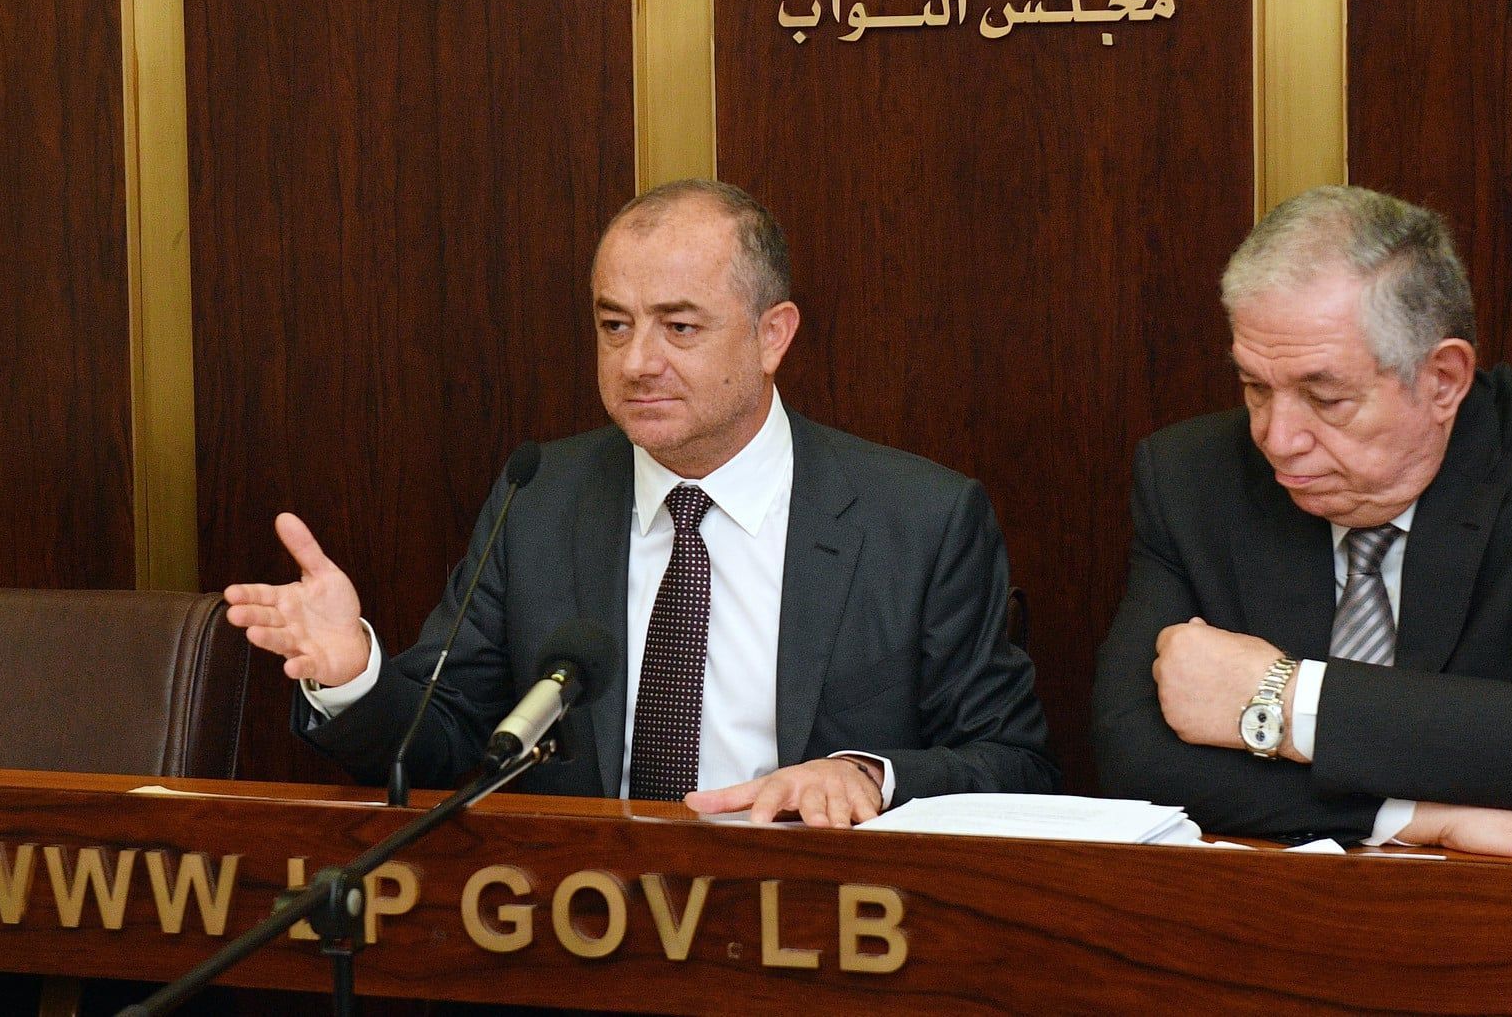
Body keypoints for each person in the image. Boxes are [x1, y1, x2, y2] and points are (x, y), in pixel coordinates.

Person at [227, 179, 1056, 826]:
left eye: (680, 328)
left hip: (821, 936)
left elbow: (1013, 761)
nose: (636, 362)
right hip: (583, 936)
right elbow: (446, 744)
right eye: (615, 325)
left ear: (774, 335)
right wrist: (355, 675)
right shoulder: (540, 497)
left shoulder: (918, 520)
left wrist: (868, 773)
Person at [1092, 185, 1512, 860]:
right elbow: (1132, 756)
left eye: (1324, 396)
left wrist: (1284, 696)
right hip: (1293, 915)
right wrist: (1418, 816)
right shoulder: (1192, 475)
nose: (1277, 437)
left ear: (1444, 379)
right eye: (1255, 387)